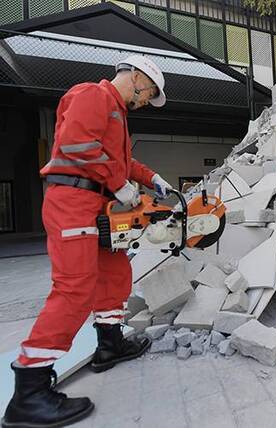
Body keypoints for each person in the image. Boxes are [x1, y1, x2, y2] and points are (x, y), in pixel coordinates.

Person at [2, 55, 174, 428]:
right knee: (74, 290)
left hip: (98, 205)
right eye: (149, 94)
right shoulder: (94, 96)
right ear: (138, 77)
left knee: (114, 273)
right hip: (74, 202)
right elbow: (79, 145)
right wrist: (120, 186)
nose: (145, 102)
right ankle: (29, 390)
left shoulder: (117, 116)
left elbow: (120, 162)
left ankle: (109, 344)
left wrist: (152, 178)